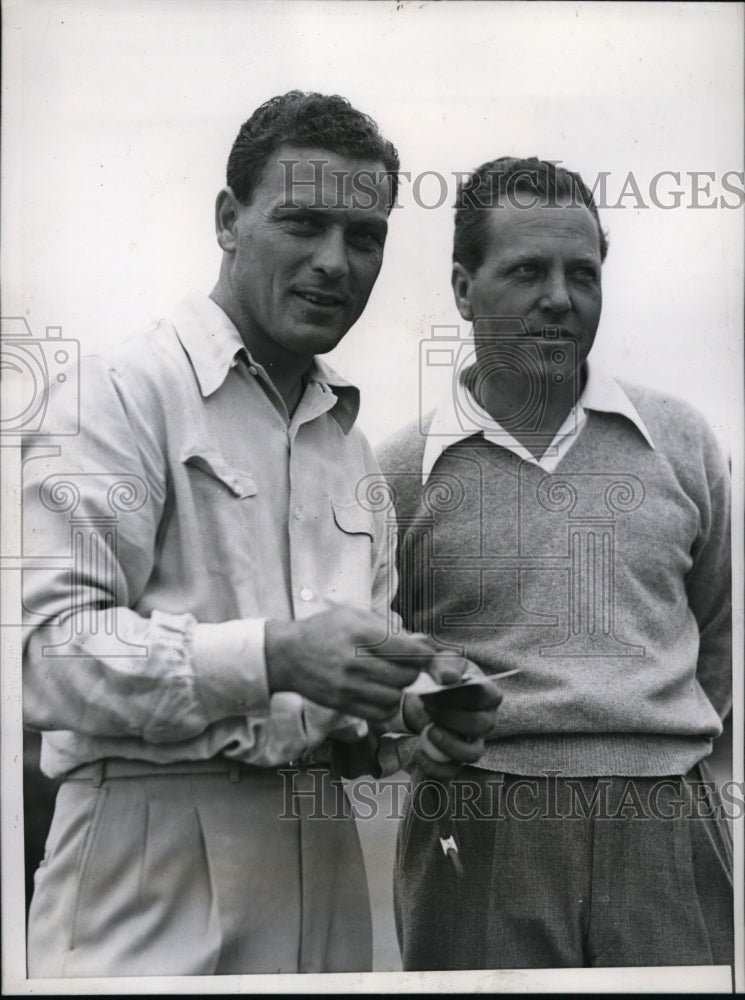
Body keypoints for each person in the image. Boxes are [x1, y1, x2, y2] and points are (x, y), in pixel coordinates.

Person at [21, 91, 499, 978]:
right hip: (144, 875)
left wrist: (405, 725)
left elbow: (336, 715)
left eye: (364, 237)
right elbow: (45, 656)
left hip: (325, 872)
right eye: (303, 223)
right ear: (227, 220)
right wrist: (274, 655)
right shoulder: (120, 394)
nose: (334, 262)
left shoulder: (350, 448)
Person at [378, 157, 733, 970]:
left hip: (666, 819)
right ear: (463, 289)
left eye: (582, 273)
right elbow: (375, 664)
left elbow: (718, 637)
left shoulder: (680, 442)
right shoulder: (400, 471)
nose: (558, 299)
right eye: (526, 271)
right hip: (473, 823)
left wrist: (640, 748)